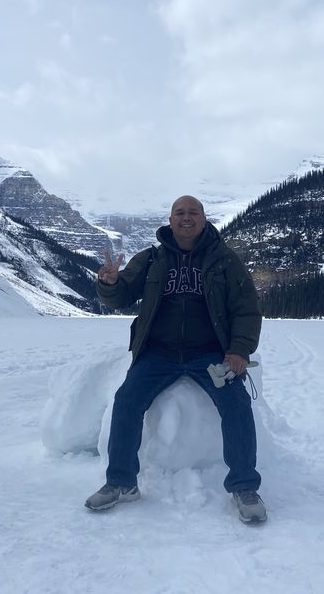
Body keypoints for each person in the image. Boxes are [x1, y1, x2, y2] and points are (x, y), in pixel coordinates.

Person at [85, 195, 266, 523]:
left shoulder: (224, 259)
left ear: (203, 218)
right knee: (127, 400)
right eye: (179, 213)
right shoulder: (152, 259)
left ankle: (244, 486)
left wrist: (239, 350)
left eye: (192, 212)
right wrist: (108, 284)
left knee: (236, 403)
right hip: (158, 352)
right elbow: (123, 293)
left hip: (209, 352)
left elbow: (247, 307)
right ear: (170, 220)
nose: (186, 218)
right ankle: (121, 483)